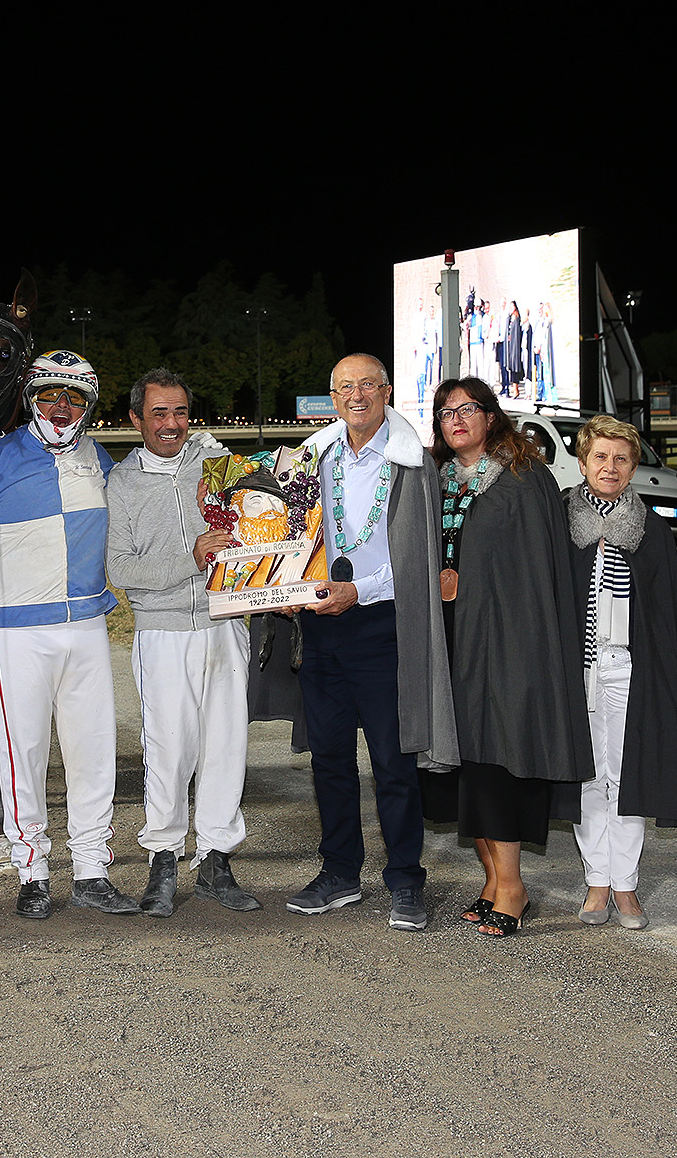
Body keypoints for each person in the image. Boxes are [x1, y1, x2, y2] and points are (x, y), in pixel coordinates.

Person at [0, 349, 136, 919]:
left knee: (94, 754)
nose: (60, 407)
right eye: (48, 396)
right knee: (24, 753)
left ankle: (91, 868)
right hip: (15, 633)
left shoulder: (102, 460)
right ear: (30, 397)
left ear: (88, 406)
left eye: (74, 398)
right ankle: (32, 868)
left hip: (87, 625)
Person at [287, 355, 452, 931]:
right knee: (329, 759)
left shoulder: (411, 464)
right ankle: (339, 874)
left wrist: (360, 589)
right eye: (343, 388)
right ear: (332, 397)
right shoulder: (313, 460)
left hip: (382, 624)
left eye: (366, 385)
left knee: (392, 761)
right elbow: (293, 538)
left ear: (386, 392)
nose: (355, 395)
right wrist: (284, 588)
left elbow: (418, 559)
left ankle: (406, 881)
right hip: (322, 624)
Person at [429, 378, 589, 938]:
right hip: (451, 639)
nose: (457, 419)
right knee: (466, 759)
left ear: (491, 417)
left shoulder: (524, 480)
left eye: (468, 409)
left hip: (510, 641)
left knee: (502, 754)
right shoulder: (438, 480)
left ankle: (514, 884)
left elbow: (537, 571)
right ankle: (493, 879)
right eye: (447, 412)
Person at [106, 368, 257, 916]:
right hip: (162, 632)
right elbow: (119, 567)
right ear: (136, 419)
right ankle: (163, 859)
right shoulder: (121, 483)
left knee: (226, 745)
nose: (171, 424)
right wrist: (188, 559)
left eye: (180, 412)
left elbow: (261, 523)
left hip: (224, 623)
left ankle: (216, 860)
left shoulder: (214, 465)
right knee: (167, 749)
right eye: (158, 413)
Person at [563, 415, 677, 930]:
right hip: (575, 670)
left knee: (627, 775)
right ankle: (596, 881)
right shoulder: (562, 523)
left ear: (633, 466)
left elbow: (665, 609)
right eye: (600, 457)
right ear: (583, 463)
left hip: (628, 668)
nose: (610, 466)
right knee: (586, 774)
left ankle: (626, 885)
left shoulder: (652, 530)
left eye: (621, 458)